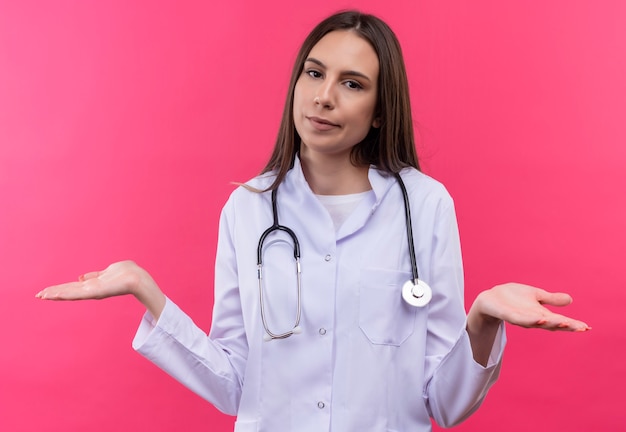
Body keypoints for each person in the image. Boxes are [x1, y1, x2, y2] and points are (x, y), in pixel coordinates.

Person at [36, 10, 589, 432]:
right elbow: (234, 386)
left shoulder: (425, 206)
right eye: (314, 73)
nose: (323, 97)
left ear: (379, 110)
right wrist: (147, 292)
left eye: (352, 83)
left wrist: (482, 321)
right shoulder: (248, 208)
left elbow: (442, 405)